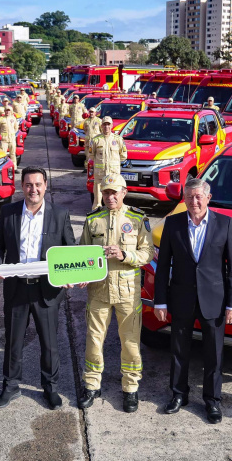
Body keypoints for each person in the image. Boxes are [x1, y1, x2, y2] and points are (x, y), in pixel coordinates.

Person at [153, 177, 232, 423]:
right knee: (179, 350)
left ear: (208, 198)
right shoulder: (172, 224)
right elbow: (162, 267)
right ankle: (179, 395)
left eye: (198, 197)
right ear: (184, 198)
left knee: (213, 354)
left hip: (214, 300)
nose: (194, 201)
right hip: (181, 298)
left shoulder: (224, 224)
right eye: (189, 197)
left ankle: (212, 401)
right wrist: (160, 301)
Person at [0, 167, 76, 409]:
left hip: (46, 290)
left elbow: (69, 250)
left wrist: (71, 274)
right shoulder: (8, 213)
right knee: (13, 341)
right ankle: (11, 385)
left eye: (38, 184)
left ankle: (50, 388)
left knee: (49, 344)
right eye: (28, 185)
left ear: (45, 186)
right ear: (22, 186)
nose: (33, 189)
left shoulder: (60, 214)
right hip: (17, 289)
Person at [78, 174, 154, 413]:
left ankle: (130, 388)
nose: (110, 197)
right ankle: (92, 384)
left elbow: (148, 253)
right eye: (106, 193)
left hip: (127, 293)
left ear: (124, 192)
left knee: (130, 342)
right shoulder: (93, 219)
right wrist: (82, 274)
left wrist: (125, 255)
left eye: (114, 192)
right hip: (98, 290)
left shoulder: (138, 218)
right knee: (93, 340)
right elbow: (82, 253)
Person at [87, 116, 127, 210]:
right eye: (104, 124)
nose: (106, 127)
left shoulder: (118, 139)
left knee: (114, 198)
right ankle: (96, 216)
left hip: (113, 174)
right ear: (101, 126)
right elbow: (91, 155)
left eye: (108, 124)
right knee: (97, 201)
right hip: (100, 174)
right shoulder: (96, 140)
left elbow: (123, 155)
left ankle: (115, 215)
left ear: (112, 125)